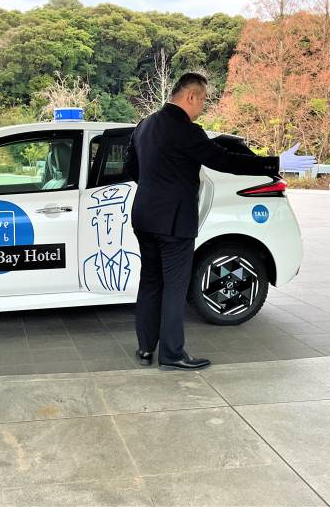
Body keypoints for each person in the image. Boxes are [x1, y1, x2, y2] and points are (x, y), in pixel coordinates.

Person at [125, 72, 315, 370]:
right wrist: (276, 163)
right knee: (175, 288)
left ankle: (145, 349)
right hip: (174, 223)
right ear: (190, 96)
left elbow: (132, 169)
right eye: (203, 100)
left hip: (144, 218)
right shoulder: (186, 130)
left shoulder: (144, 126)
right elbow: (226, 161)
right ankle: (172, 355)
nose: (203, 106)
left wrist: (159, 187)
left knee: (150, 282)